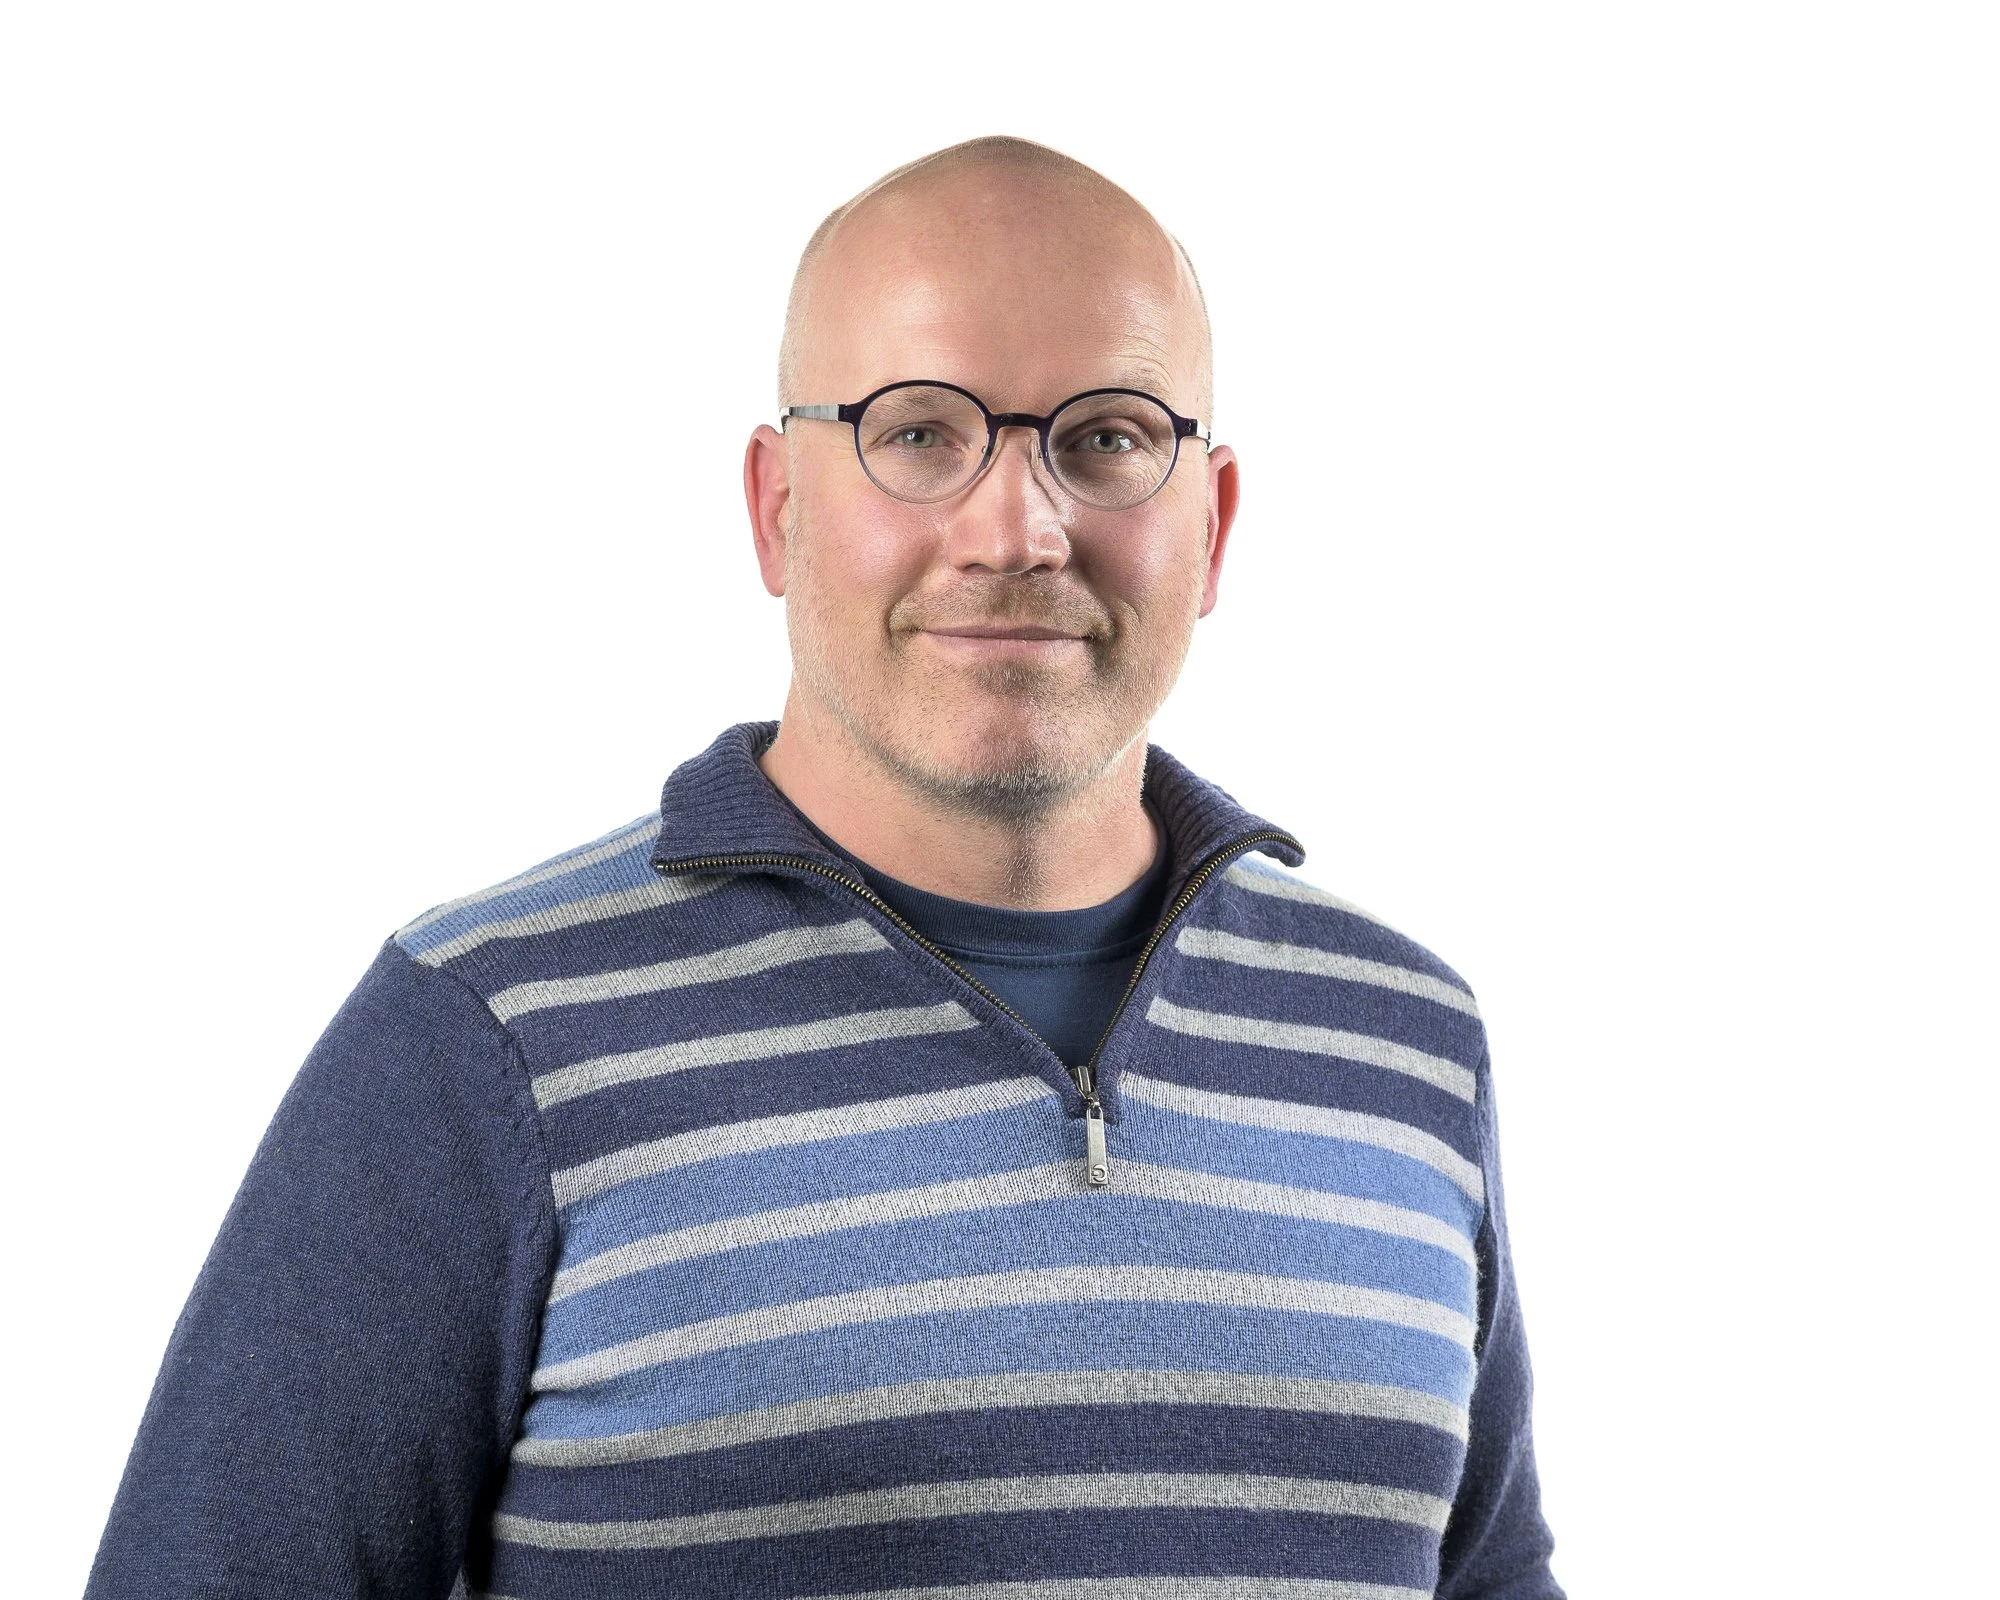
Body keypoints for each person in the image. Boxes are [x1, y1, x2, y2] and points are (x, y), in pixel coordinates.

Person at [87, 136, 1563, 1599]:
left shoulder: (1404, 1038)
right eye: (919, 433)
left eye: (1108, 438)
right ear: (778, 507)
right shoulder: (488, 1039)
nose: (1018, 529)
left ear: (1214, 522)